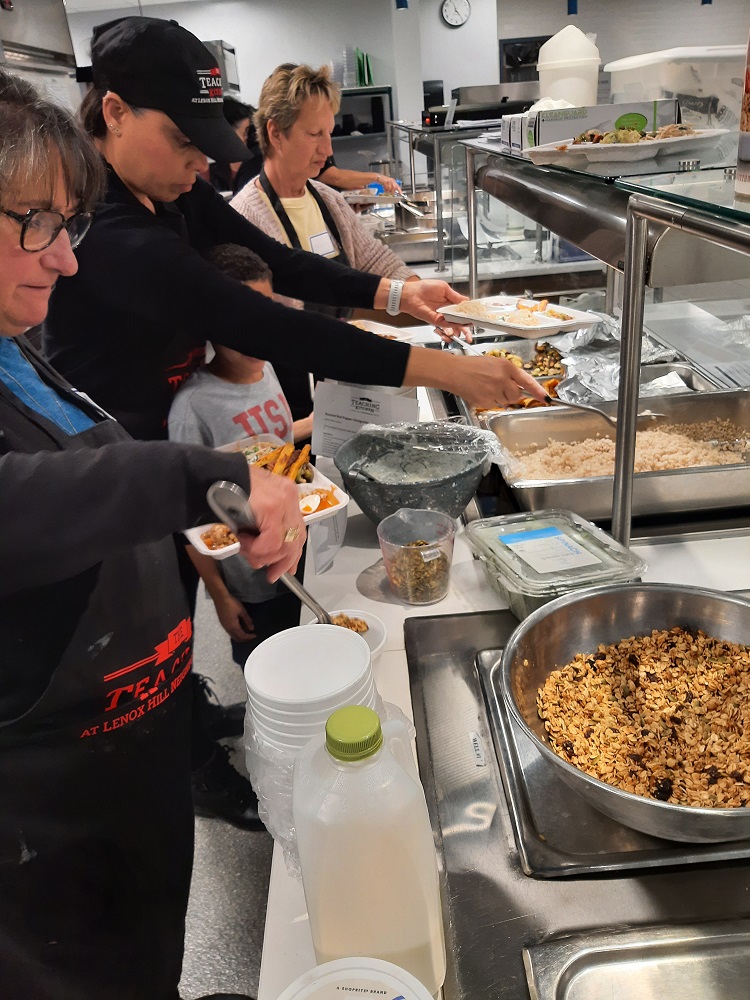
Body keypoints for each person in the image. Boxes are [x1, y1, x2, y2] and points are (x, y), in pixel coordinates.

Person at [0, 67, 304, 1000]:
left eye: (68, 222)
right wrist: (213, 478)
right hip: (45, 857)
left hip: (130, 789)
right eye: (37, 225)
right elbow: (33, 504)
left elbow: (114, 487)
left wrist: (230, 507)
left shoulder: (20, 353)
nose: (67, 259)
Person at [231, 62, 419, 422]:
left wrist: (419, 294)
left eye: (329, 133)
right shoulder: (244, 215)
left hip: (343, 374)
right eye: (315, 134)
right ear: (276, 133)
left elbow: (376, 259)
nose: (327, 149)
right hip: (286, 397)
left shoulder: (326, 198)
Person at [169, 244, 304, 664]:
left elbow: (272, 439)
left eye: (261, 310)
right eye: (234, 313)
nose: (252, 330)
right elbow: (186, 516)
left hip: (298, 548)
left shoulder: (267, 369)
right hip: (249, 578)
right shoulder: (194, 407)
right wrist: (219, 595)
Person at [208, 96, 263, 196]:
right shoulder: (211, 168)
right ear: (228, 133)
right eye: (244, 132)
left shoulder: (257, 161)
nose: (247, 137)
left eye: (248, 131)